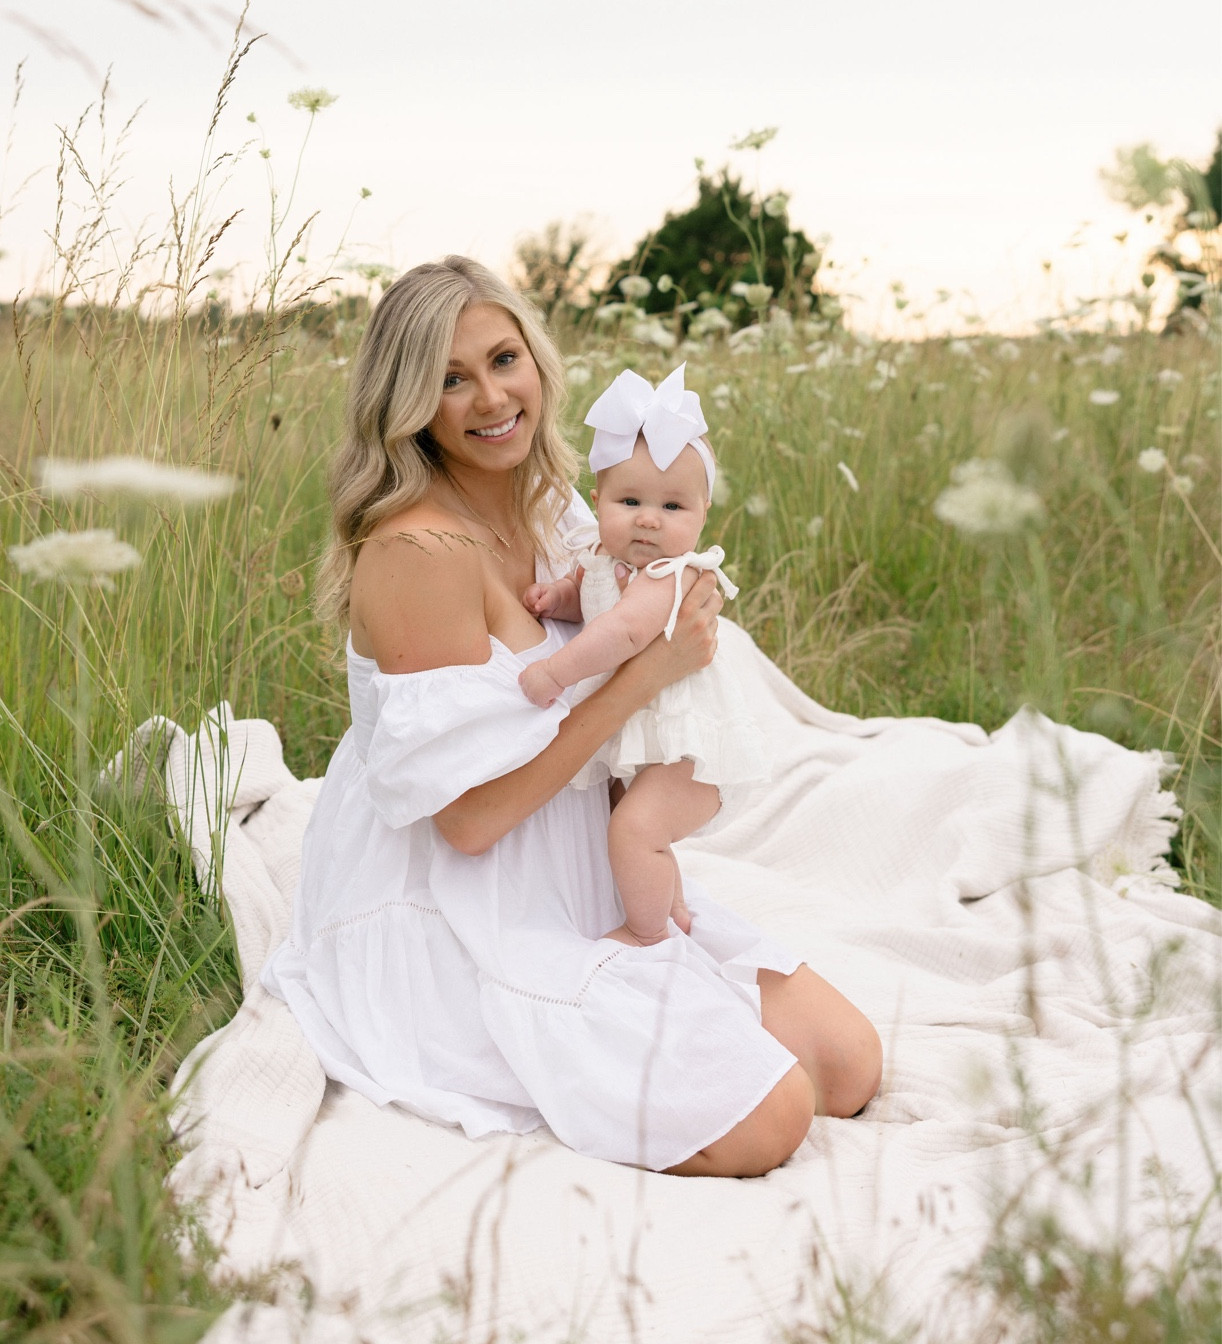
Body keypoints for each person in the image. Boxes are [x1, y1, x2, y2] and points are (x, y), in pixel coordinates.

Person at [261, 257, 880, 1176]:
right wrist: (645, 673)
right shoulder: (418, 551)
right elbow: (467, 822)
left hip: (580, 860)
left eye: (503, 359)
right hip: (463, 900)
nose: (490, 398)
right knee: (771, 1117)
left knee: (847, 1063)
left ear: (537, 361)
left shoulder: (557, 510)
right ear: (409, 405)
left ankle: (637, 975)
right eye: (450, 380)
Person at [519, 363, 769, 948]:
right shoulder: (602, 560)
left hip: (689, 750)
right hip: (648, 741)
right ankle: (673, 910)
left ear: (703, 514)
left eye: (673, 508)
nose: (649, 519)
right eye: (629, 500)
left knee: (634, 830)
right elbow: (588, 599)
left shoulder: (669, 575)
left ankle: (648, 934)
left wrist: (555, 671)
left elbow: (625, 632)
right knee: (632, 825)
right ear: (597, 501)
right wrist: (557, 599)